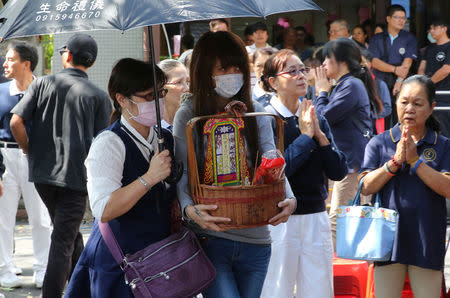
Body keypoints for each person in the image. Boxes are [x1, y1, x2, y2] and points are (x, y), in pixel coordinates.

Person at [173, 31, 296, 298]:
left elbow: (273, 160)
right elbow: (181, 174)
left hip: (257, 238)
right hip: (211, 237)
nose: (232, 73)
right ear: (205, 72)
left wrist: (289, 197)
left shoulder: (256, 112)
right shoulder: (189, 115)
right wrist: (190, 210)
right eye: (223, 68)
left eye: (237, 66)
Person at [9, 33, 112, 298]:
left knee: (67, 232)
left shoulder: (42, 84)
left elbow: (15, 122)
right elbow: (103, 141)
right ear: (91, 61)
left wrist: (27, 148)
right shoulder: (99, 96)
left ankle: (84, 287)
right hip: (76, 177)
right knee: (64, 238)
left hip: (42, 174)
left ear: (67, 56)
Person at [65, 58, 174, 297]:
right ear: (122, 99)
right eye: (148, 95)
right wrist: (149, 177)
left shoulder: (164, 136)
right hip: (119, 265)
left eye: (161, 92)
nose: (157, 100)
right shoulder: (109, 143)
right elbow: (103, 209)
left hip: (159, 260)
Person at [259, 49, 347, 298]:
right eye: (292, 71)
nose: (300, 76)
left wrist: (319, 136)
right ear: (273, 82)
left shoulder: (312, 114)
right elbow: (277, 170)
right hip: (279, 218)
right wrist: (307, 137)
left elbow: (338, 170)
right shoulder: (265, 118)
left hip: (315, 214)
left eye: (302, 70)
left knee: (319, 290)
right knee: (277, 290)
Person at [359, 75, 450, 298]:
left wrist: (415, 161)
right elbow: (366, 187)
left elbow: (448, 188)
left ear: (431, 108)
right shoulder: (380, 142)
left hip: (427, 239)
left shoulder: (443, 145)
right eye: (404, 102)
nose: (409, 108)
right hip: (387, 242)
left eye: (417, 104)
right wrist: (394, 162)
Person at [313, 38, 382, 247]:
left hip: (351, 163)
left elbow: (322, 118)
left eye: (328, 58)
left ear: (342, 61)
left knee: (338, 218)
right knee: (345, 217)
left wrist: (321, 92)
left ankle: (337, 271)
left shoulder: (350, 85)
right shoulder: (346, 84)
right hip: (346, 161)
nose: (323, 64)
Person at [0, 41, 51, 289]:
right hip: (4, 157)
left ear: (26, 63)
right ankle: (4, 269)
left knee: (41, 216)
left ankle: (43, 269)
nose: (4, 63)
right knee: (3, 217)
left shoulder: (46, 90)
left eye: (10, 59)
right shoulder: (0, 92)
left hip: (37, 157)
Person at [369, 4, 418, 126]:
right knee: (382, 115)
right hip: (380, 82)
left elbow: (408, 62)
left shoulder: (409, 38)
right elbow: (374, 61)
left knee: (401, 116)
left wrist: (399, 80)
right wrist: (395, 69)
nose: (401, 21)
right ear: (388, 19)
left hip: (402, 83)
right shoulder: (377, 39)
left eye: (403, 18)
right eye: (397, 17)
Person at [418, 19, 450, 137]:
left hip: (446, 100)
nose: (431, 31)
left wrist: (428, 83)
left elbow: (446, 69)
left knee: (446, 135)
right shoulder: (428, 49)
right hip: (430, 98)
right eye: (430, 29)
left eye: (434, 28)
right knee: (432, 135)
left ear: (444, 29)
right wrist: (421, 82)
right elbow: (422, 68)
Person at [157, 59, 189, 132]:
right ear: (161, 88)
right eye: (179, 82)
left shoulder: (193, 124)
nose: (187, 88)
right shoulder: (153, 130)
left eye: (188, 81)